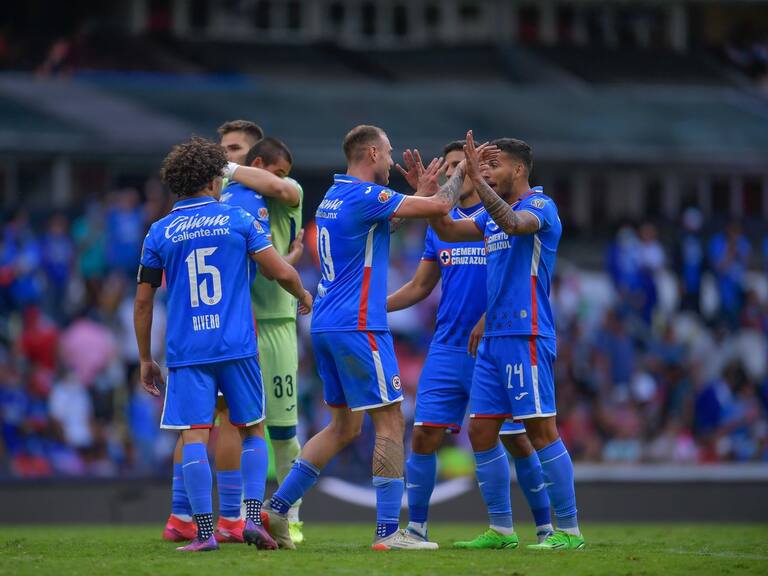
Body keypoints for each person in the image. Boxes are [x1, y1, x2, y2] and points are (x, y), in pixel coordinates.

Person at [261, 125, 493, 551]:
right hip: (359, 326)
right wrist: (467, 172)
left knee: (343, 426)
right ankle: (389, 533)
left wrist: (421, 192)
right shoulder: (367, 196)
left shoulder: (334, 196)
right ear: (371, 153)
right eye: (387, 154)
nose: (390, 162)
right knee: (389, 421)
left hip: (327, 323)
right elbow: (443, 204)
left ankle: (277, 507)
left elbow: (418, 209)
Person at [135, 137, 312, 552]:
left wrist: (145, 357)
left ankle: (201, 532)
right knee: (252, 430)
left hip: (187, 351)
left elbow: (144, 302)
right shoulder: (238, 220)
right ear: (216, 180)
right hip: (237, 345)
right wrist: (303, 295)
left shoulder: (159, 232)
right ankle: (249, 520)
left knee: (195, 436)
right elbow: (278, 272)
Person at [387, 140, 553, 547]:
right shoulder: (442, 227)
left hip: (495, 343)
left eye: (465, 165)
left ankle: (545, 526)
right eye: (452, 167)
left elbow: (515, 277)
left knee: (516, 438)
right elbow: (420, 287)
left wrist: (488, 318)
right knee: (424, 434)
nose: (456, 172)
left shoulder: (499, 216)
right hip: (447, 346)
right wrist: (371, 310)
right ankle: (418, 529)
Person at [430, 131, 584, 550]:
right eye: (485, 168)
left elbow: (514, 225)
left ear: (518, 169)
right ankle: (501, 529)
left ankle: (568, 531)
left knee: (541, 430)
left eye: (494, 167)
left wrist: (478, 184)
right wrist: (457, 174)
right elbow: (444, 225)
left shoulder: (540, 206)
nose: (488, 174)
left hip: (526, 333)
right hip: (494, 337)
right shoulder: (487, 213)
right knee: (481, 431)